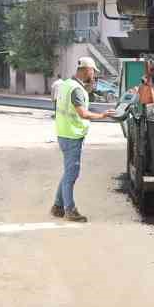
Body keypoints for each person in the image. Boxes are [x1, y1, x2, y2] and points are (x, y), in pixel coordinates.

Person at [51, 57, 115, 223]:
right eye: (93, 71)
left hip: (63, 132)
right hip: (72, 135)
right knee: (72, 174)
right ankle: (69, 210)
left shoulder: (66, 84)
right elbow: (83, 114)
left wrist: (88, 87)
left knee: (67, 172)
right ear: (87, 69)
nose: (93, 75)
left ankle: (57, 206)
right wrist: (103, 115)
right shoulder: (77, 90)